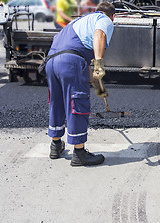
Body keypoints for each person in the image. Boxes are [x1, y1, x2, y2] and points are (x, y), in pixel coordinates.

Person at [45, 1, 115, 166]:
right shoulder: (104, 19)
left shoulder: (79, 21)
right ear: (113, 16)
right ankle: (79, 153)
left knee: (57, 103)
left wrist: (96, 84)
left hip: (52, 61)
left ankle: (55, 145)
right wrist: (99, 65)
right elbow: (100, 35)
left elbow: (81, 59)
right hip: (70, 62)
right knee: (77, 103)